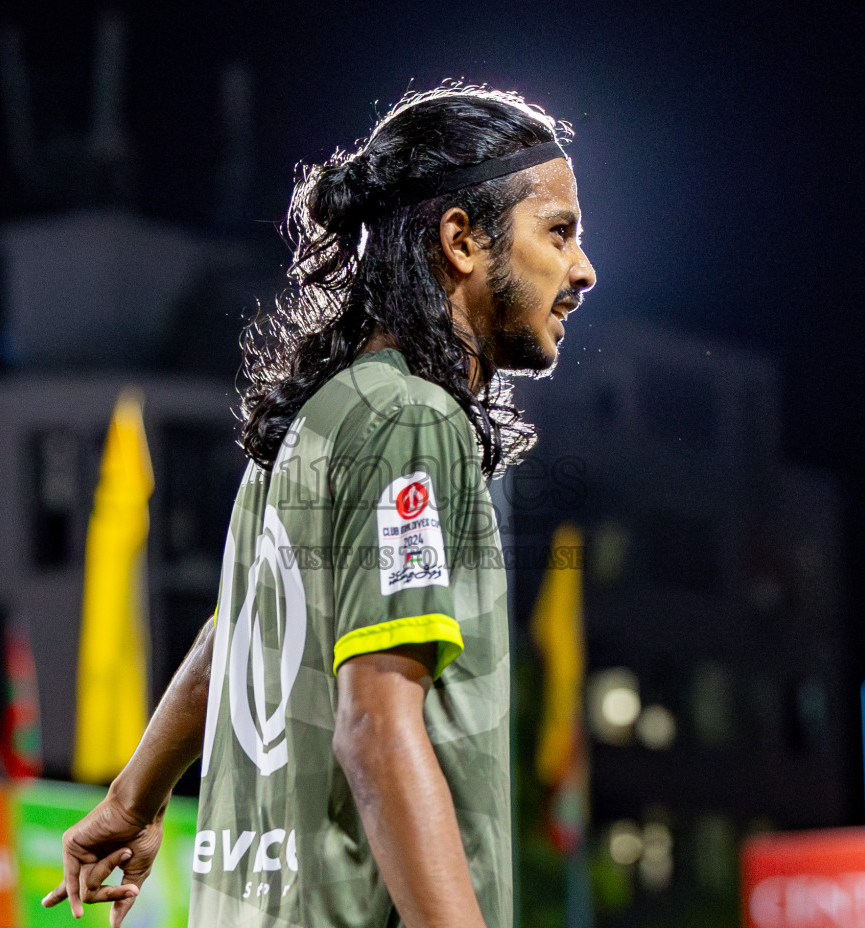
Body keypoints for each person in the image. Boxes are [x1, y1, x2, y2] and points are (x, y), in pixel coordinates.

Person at [43, 84, 597, 928]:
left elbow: (237, 633)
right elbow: (374, 725)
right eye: (558, 233)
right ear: (460, 240)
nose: (581, 270)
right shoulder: (413, 419)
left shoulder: (319, 419)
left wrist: (133, 799)